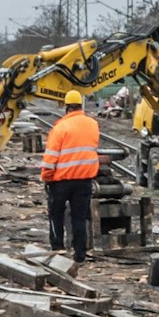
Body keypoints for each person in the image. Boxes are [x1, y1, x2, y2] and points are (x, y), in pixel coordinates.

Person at [42, 90, 100, 265]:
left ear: (66, 107)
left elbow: (51, 156)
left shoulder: (60, 127)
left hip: (60, 182)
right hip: (84, 181)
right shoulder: (93, 125)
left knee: (56, 215)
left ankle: (58, 250)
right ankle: (79, 255)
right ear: (80, 106)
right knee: (79, 218)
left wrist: (46, 177)